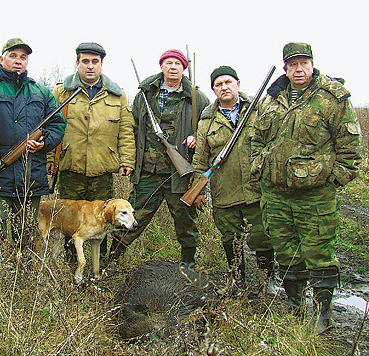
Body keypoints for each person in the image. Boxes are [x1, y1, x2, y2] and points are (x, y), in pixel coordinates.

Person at [251, 42, 362, 332]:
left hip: (315, 195)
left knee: (319, 252)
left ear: (312, 65)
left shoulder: (333, 99)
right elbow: (256, 139)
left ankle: (323, 312)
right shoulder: (271, 99)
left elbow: (350, 150)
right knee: (286, 251)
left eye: (303, 64)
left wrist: (329, 182)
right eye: (292, 65)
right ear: (285, 68)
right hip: (276, 194)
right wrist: (259, 168)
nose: (298, 69)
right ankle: (295, 305)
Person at [109, 49, 210, 270]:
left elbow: (207, 125)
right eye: (168, 63)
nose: (173, 67)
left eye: (178, 63)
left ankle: (188, 264)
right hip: (148, 172)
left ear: (184, 68)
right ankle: (113, 259)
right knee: (133, 216)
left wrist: (195, 136)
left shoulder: (196, 96)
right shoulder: (145, 95)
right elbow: (132, 129)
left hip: (179, 173)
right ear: (161, 67)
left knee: (185, 220)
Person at [0, 38, 66, 269]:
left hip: (30, 176)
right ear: (1, 59)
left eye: (23, 57)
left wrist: (44, 142)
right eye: (13, 56)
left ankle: (21, 278)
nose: (18, 61)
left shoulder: (40, 91)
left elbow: (58, 125)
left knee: (27, 233)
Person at [48, 42, 135, 266]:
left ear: (101, 65)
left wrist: (126, 160)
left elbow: (125, 130)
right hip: (70, 167)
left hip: (102, 169)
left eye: (94, 62)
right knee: (70, 219)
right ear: (77, 63)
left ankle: (99, 265)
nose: (90, 66)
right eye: (85, 61)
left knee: (102, 221)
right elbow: (50, 126)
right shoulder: (62, 91)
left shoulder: (117, 94)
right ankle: (71, 263)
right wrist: (51, 159)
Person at [192, 66, 277, 294]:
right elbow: (200, 159)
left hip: (255, 190)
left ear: (238, 84)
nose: (224, 87)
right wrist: (197, 190)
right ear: (213, 90)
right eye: (218, 85)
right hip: (224, 192)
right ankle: (236, 282)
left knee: (262, 238)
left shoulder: (258, 111)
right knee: (230, 239)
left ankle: (265, 281)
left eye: (228, 82)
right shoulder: (206, 122)